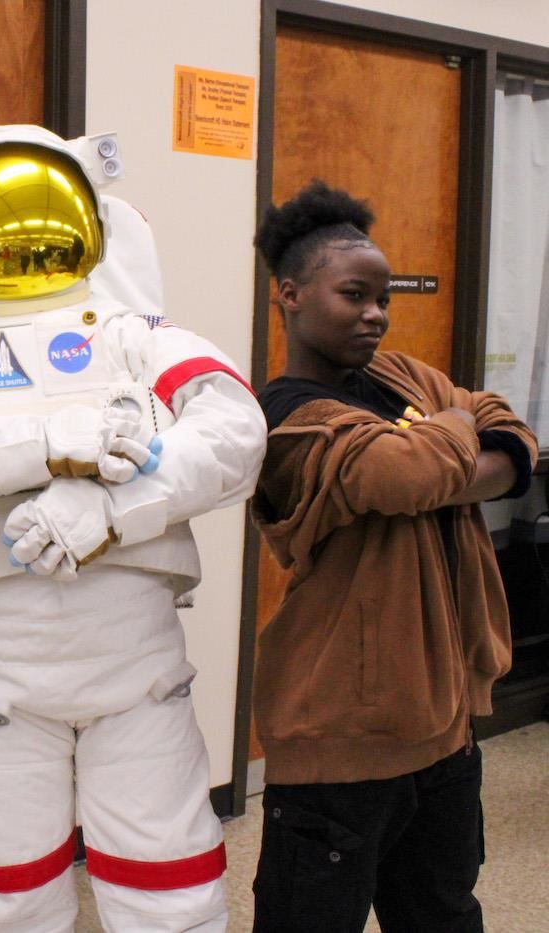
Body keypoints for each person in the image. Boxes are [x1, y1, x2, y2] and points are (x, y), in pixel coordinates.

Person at [0, 125, 267, 932]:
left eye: (38, 222)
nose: (10, 245)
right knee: (10, 892)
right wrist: (41, 446)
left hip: (132, 660)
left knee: (165, 879)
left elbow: (236, 431)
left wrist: (112, 509)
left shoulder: (127, 333)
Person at [249, 180, 537, 932]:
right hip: (342, 740)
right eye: (354, 295)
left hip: (444, 725)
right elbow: (402, 473)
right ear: (289, 295)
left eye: (383, 299)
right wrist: (454, 431)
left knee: (443, 913)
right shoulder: (281, 418)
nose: (375, 315)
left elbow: (512, 432)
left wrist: (450, 445)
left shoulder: (397, 379)